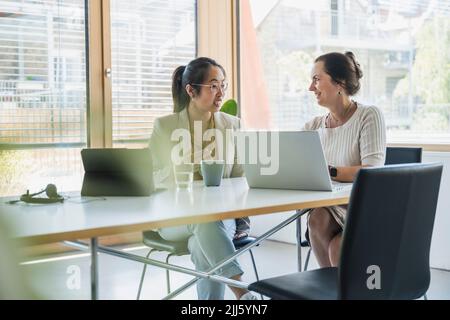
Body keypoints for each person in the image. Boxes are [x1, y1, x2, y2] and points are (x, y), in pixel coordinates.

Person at [148, 57, 255, 300]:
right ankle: (243, 293)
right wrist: (184, 170)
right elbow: (153, 176)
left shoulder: (232, 125)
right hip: (173, 217)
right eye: (214, 85)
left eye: (223, 85)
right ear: (191, 90)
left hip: (220, 217)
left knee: (202, 240)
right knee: (202, 220)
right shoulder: (165, 127)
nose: (221, 93)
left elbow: (240, 177)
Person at [303, 51, 386, 268]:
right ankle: (331, 288)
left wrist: (328, 171)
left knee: (338, 247)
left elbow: (372, 171)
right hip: (327, 207)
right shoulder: (312, 126)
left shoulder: (368, 116)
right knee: (317, 219)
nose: (311, 88)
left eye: (316, 79)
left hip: (364, 207)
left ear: (339, 83)